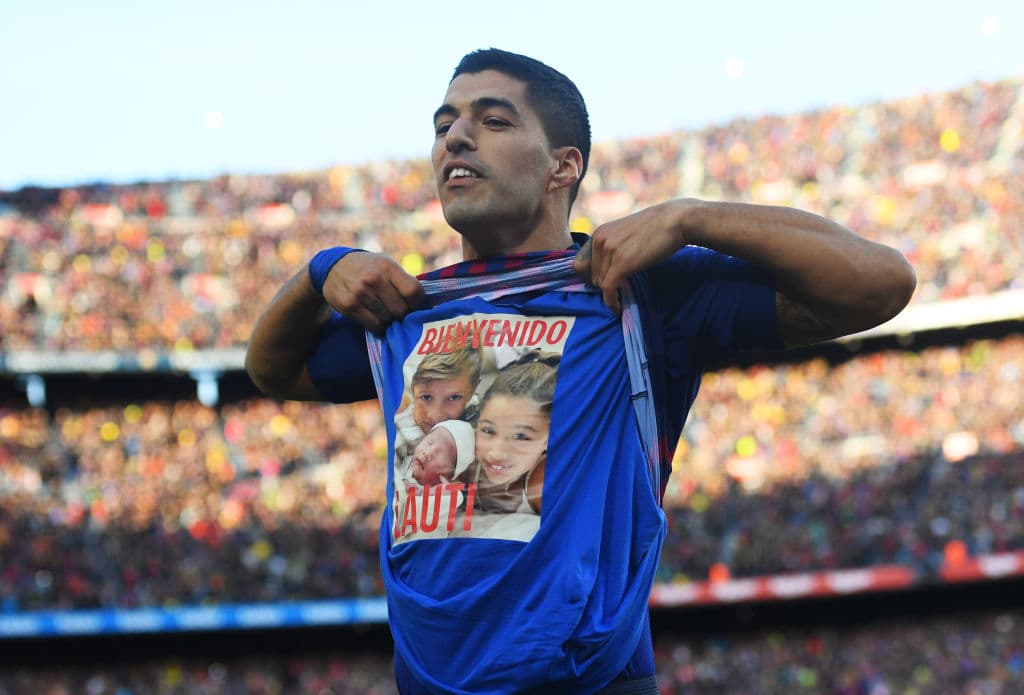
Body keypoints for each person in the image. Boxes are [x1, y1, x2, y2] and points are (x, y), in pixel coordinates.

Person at [246, 47, 916, 694]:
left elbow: (880, 281)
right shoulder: (405, 311)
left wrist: (692, 217)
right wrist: (318, 270)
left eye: (493, 119)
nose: (455, 137)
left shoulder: (637, 293)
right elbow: (271, 370)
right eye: (444, 124)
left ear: (561, 167)